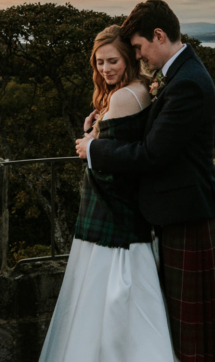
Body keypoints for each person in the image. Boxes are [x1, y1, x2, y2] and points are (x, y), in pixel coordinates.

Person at [77, 0, 215, 362]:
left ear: (158, 35)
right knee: (189, 329)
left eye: (138, 48)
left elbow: (152, 154)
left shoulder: (186, 83)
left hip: (188, 214)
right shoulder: (181, 74)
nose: (138, 57)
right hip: (181, 211)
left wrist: (93, 149)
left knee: (195, 336)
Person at [40, 25, 174, 362]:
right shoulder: (142, 89)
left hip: (112, 217)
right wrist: (93, 133)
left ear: (128, 58)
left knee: (106, 303)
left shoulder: (123, 97)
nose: (105, 69)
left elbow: (109, 164)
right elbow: (119, 146)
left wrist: (90, 144)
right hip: (128, 215)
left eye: (112, 60)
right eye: (99, 63)